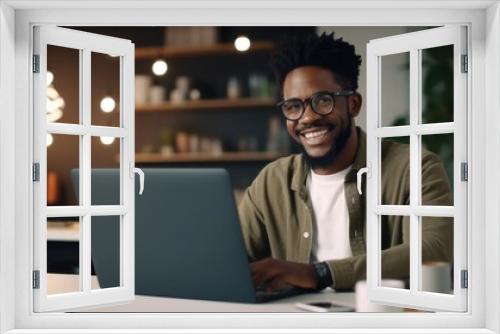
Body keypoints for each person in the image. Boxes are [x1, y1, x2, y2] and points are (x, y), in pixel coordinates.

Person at [238, 32, 453, 292]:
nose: (306, 118)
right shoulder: (272, 181)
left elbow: (434, 249)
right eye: (293, 106)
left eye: (323, 101)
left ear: (353, 104)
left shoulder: (414, 168)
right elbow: (233, 260)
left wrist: (321, 273)